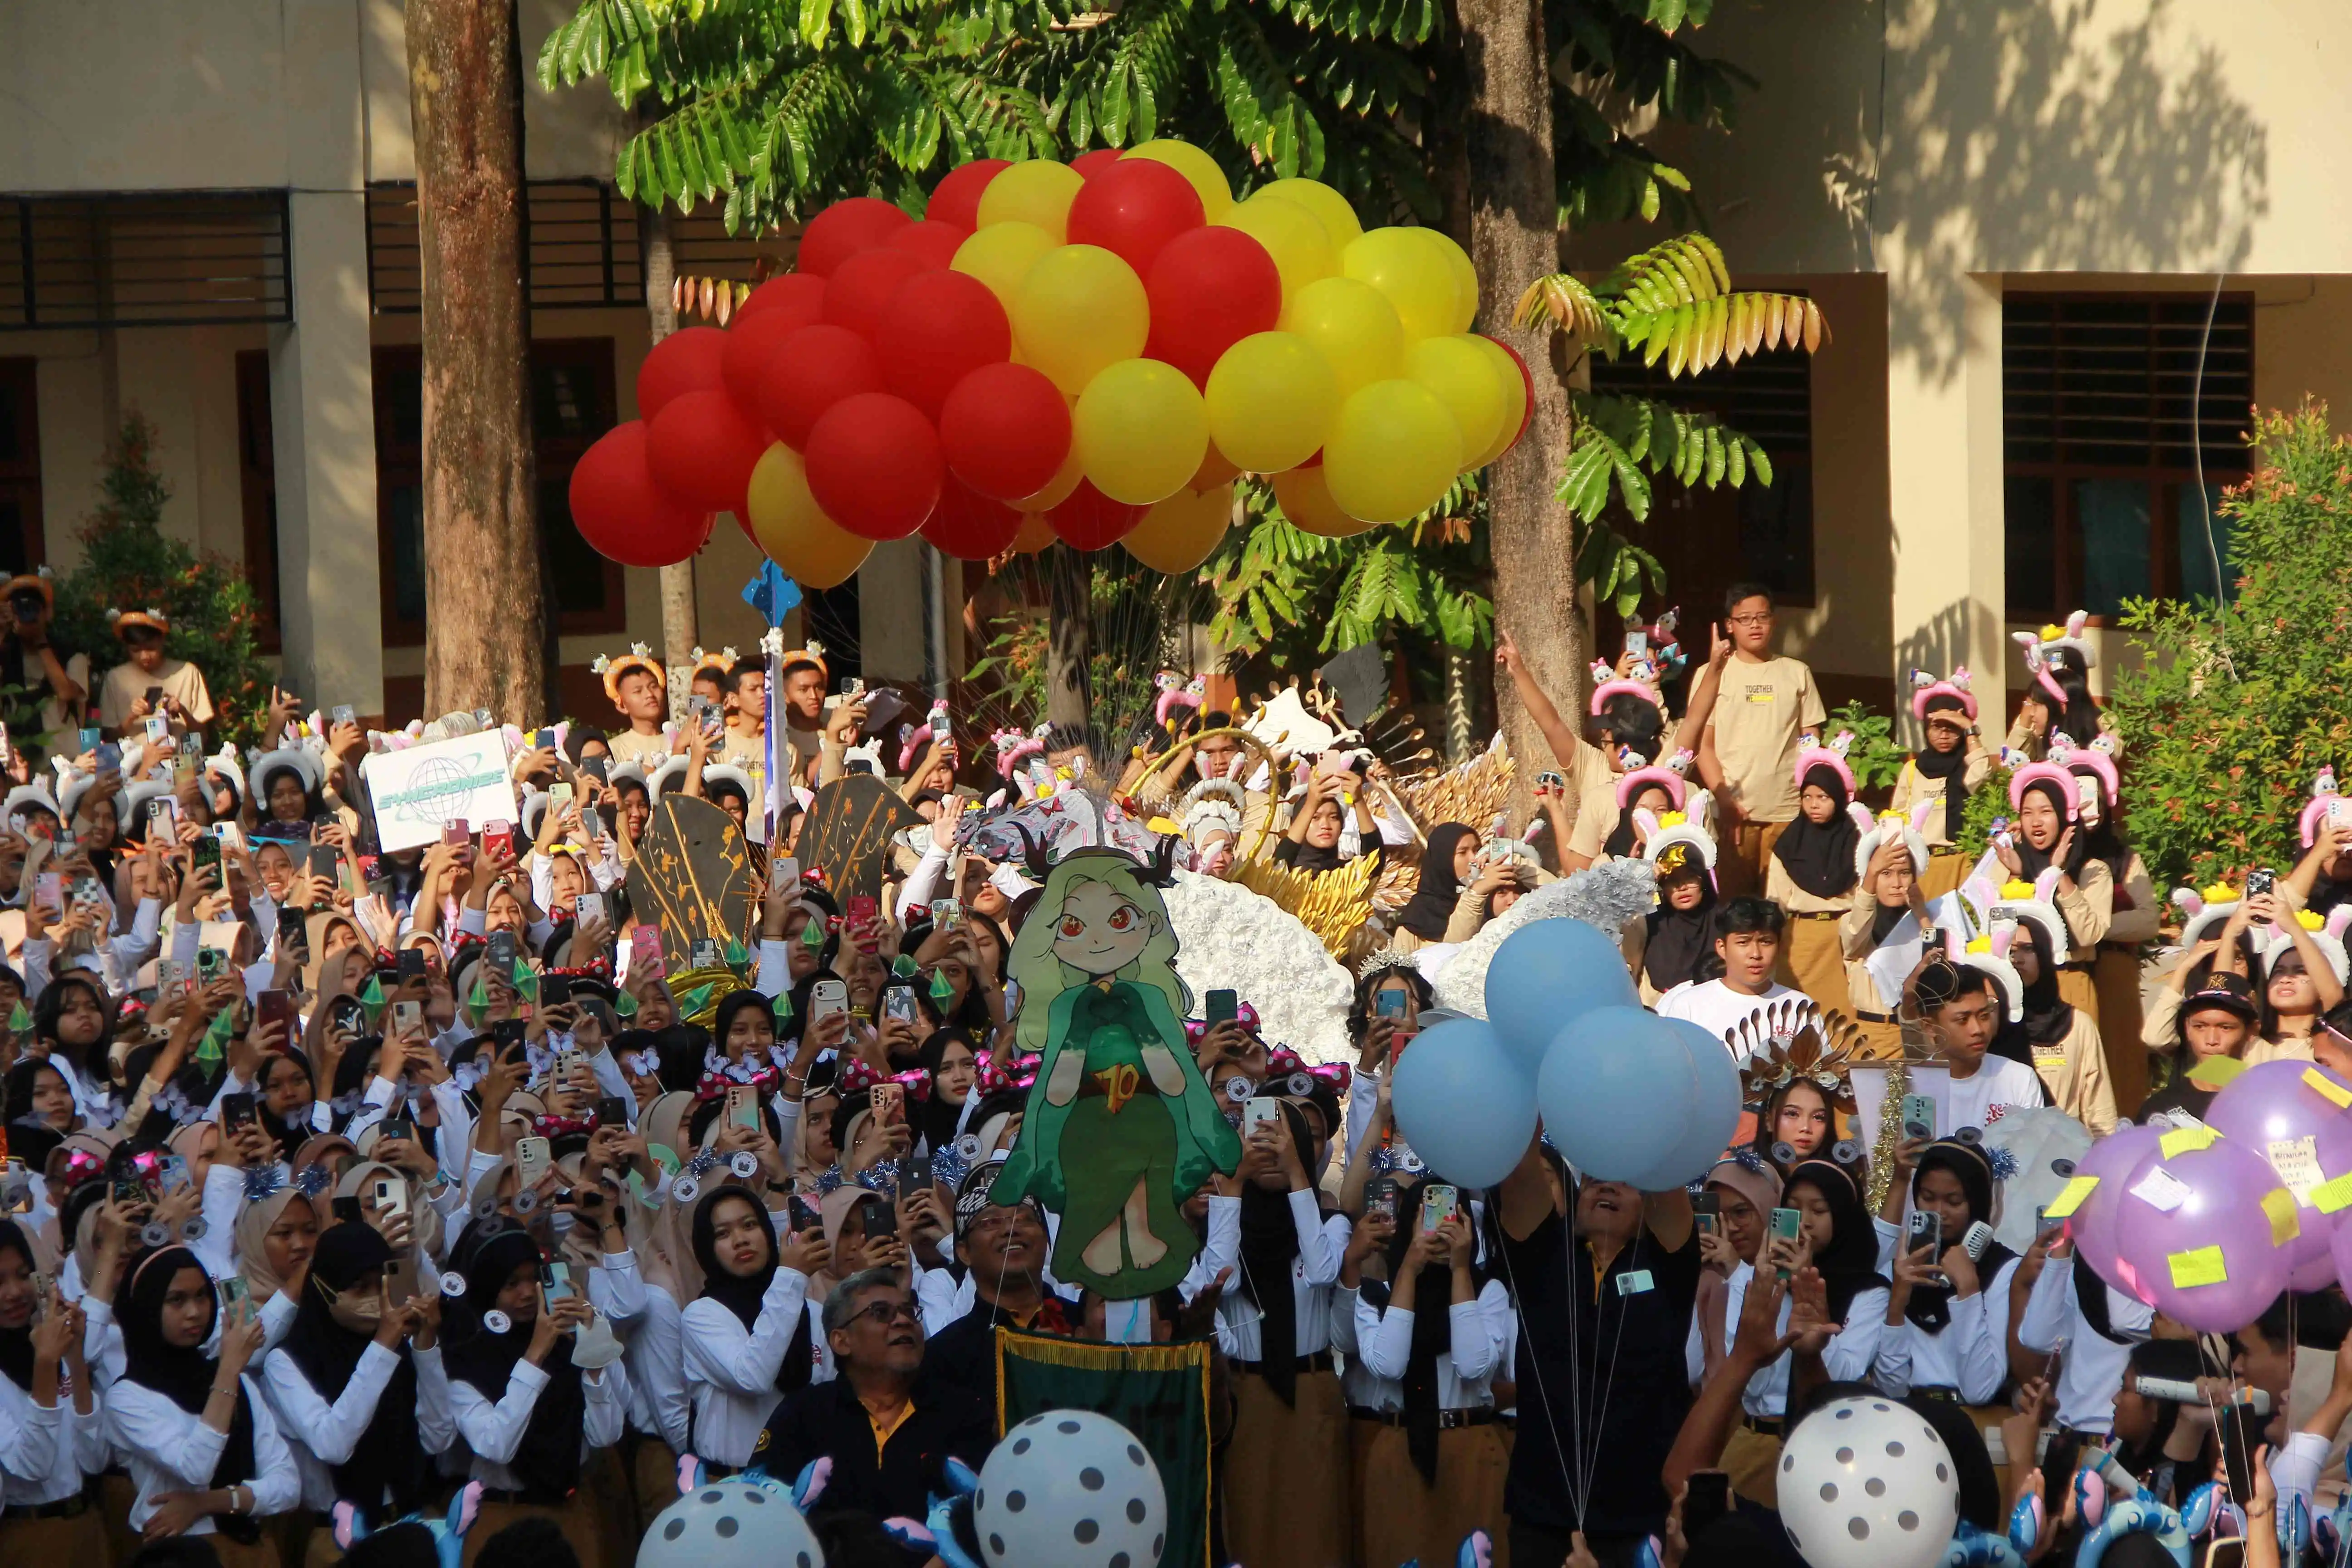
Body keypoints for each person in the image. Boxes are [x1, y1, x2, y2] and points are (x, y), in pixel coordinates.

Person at [1494, 1137, 1698, 1568]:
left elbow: (1666, 1169)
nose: (1606, 1188)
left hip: (1640, 1512)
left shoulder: (1669, 1266)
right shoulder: (1543, 1255)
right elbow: (1520, 1166)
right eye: (1594, 1182)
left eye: (1624, 1183)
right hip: (1544, 1508)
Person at [1187, 1098, 1349, 1568]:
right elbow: (1225, 1281)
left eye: (1282, 1143)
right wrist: (1233, 1187)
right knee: (1253, 1523)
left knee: (1317, 1527)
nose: (1270, 1153)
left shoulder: (1331, 1223)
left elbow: (1320, 1270)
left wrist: (1299, 1174)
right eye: (1258, 1142)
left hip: (1311, 1392)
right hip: (1248, 1395)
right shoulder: (1223, 1226)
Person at [1344, 1181, 1509, 1568]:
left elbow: (1472, 1364)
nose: (1438, 1225)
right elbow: (1390, 1364)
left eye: (1451, 1213)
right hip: (1400, 1447)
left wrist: (1459, 1269)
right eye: (1425, 1213)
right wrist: (1410, 1269)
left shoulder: (1487, 1291)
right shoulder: (1375, 1295)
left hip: (1470, 1448)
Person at [107, 1245, 301, 1563]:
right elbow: (196, 1468)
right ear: (146, 1306)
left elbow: (288, 1486)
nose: (195, 1312)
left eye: (202, 1296)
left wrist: (204, 1504)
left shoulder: (235, 1379)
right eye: (176, 1300)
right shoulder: (128, 1397)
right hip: (178, 1557)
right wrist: (227, 1370)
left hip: (250, 1548)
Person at [748, 1267, 991, 1521]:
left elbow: (980, 1513)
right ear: (842, 1341)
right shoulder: (804, 1414)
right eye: (881, 1313)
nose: (903, 1321)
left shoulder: (962, 1411)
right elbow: (765, 1508)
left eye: (909, 1311)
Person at [259, 1220, 452, 1537]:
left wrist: (426, 1346)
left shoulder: (400, 1345)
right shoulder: (286, 1362)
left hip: (411, 1522)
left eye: (383, 1285)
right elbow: (333, 1445)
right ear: (324, 1288)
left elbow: (438, 1437)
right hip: (339, 1534)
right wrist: (382, 1349)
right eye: (360, 1288)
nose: (377, 1299)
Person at [445, 1229, 625, 1568]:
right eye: (511, 1284)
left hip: (570, 1515)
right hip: (502, 1518)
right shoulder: (466, 1363)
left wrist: (592, 1354)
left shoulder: (566, 1348)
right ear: (488, 1289)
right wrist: (534, 1358)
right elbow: (496, 1445)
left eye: (534, 1279)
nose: (528, 1293)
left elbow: (606, 1435)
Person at [1715, 1156, 1887, 1508]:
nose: (1804, 1223)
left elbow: (1843, 1379)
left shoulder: (1869, 1292)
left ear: (1842, 1216)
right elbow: (1750, 1380)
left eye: (1819, 1210)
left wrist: (1808, 1294)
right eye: (1793, 1210)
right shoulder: (1754, 1278)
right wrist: (1768, 1285)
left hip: (1830, 1451)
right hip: (1755, 1445)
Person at [1873, 1138, 2021, 1430]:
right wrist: (1897, 1305)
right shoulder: (1899, 1265)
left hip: (1969, 1425)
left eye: (1954, 1201)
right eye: (1928, 1197)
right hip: (1907, 1425)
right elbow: (1889, 1388)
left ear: (1977, 1201)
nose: (1939, 1211)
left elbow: (1981, 1389)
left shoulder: (2004, 1270)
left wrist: (1968, 1290)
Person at [677, 1187, 825, 1472]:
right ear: (707, 1248)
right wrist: (791, 1277)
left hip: (805, 1481)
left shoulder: (811, 1312)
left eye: (750, 1225)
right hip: (734, 1485)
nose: (741, 1240)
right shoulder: (702, 1315)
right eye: (722, 1234)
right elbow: (753, 1378)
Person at [1695, 584, 1824, 898]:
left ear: (1774, 621)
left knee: (1783, 908)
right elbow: (1702, 746)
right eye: (1745, 619)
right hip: (1733, 816)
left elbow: (1812, 737)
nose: (1755, 625)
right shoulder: (1712, 674)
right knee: (1733, 908)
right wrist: (1724, 801)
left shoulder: (1797, 672)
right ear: (1730, 625)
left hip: (1788, 812)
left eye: (1762, 617)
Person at [0, 1219, 104, 1564]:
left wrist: (75, 1362)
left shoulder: (52, 1342)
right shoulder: (45, 1353)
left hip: (88, 1527)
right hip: (32, 1538)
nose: (14, 1292)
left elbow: (95, 1459)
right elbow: (32, 1466)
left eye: (22, 1273)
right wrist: (45, 1366)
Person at [1764, 740, 1860, 1014]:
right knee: (1797, 1018)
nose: (1814, 805)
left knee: (1841, 1019)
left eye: (1823, 797)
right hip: (1800, 941)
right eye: (1807, 797)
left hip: (1843, 938)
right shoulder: (1788, 846)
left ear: (1838, 799)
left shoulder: (1855, 841)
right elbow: (1776, 901)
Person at [1908, 958, 2047, 1131]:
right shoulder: (1913, 1087)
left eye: (1984, 1016)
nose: (1978, 1029)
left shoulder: (2019, 1080)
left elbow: (2035, 1149)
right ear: (1929, 1027)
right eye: (1962, 1020)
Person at [1889, 668, 1990, 897]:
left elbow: (1982, 774)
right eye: (1936, 727)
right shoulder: (1913, 770)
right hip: (1922, 865)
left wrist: (1969, 728)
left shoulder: (1967, 766)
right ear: (1926, 729)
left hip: (1962, 862)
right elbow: (1897, 819)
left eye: (1952, 729)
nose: (1944, 736)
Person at [1656, 897, 1805, 1050]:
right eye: (1743, 943)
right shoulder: (1689, 1006)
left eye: (1766, 942)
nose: (1756, 954)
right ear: (1722, 948)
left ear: (1780, 947)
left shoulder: (1801, 1008)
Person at [2137, 972, 2258, 1123]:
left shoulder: (2267, 1104)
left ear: (2252, 1031)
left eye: (2225, 1028)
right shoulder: (2159, 1110)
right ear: (2187, 1029)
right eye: (2200, 1027)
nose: (2211, 1040)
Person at [98, 610, 215, 740]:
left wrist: (183, 711)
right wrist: (132, 717)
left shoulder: (187, 673)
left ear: (162, 641)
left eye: (151, 648)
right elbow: (108, 739)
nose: (145, 657)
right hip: (134, 759)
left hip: (179, 758)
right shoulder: (115, 678)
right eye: (136, 650)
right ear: (127, 648)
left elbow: (203, 736)